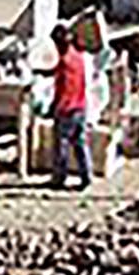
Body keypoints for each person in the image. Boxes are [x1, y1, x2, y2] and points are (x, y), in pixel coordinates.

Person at [38, 23, 92, 190]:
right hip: (81, 106)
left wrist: (54, 108)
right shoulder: (79, 57)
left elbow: (63, 88)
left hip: (66, 109)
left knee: (61, 145)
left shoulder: (63, 61)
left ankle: (59, 178)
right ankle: (86, 175)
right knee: (80, 144)